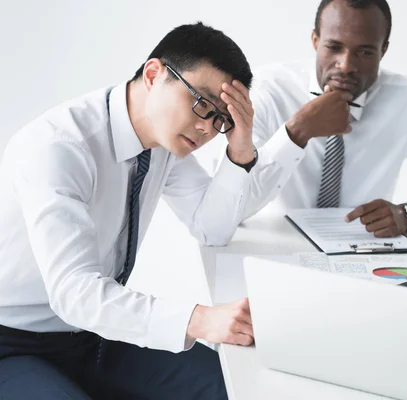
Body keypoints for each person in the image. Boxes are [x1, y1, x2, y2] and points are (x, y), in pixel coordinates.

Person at [0, 22, 258, 399]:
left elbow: (211, 227)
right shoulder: (58, 147)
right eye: (202, 104)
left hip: (96, 334)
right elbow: (74, 292)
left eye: (221, 119)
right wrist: (198, 318)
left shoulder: (166, 142)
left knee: (232, 387)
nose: (206, 129)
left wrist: (241, 149)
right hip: (12, 341)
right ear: (153, 74)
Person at [239, 0, 407, 235]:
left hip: (364, 255)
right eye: (334, 47)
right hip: (274, 251)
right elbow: (234, 203)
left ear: (383, 50)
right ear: (315, 40)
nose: (345, 65)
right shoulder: (268, 92)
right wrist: (295, 132)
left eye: (365, 52)